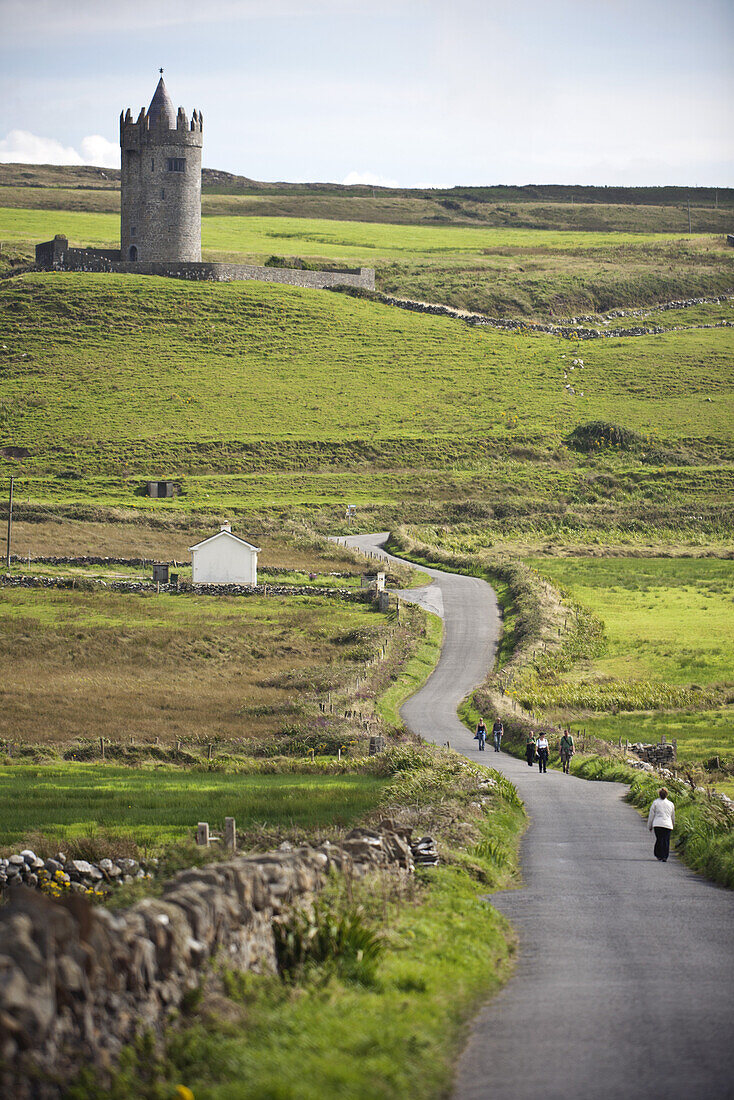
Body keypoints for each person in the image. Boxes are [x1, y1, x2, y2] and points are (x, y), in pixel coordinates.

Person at [647, 786, 675, 862]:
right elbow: (672, 816)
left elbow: (651, 815)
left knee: (659, 839)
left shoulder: (655, 803)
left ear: (659, 794)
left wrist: (650, 826)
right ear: (667, 795)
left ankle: (658, 854)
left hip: (658, 824)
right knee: (666, 840)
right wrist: (673, 824)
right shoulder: (671, 804)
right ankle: (665, 856)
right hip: (668, 825)